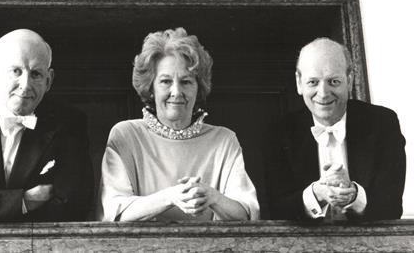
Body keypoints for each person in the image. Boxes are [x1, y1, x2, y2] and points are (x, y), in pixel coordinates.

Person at [97, 27, 259, 221]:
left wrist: (212, 196)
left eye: (186, 82)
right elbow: (114, 213)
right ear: (150, 88)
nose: (176, 91)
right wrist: (171, 196)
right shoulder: (126, 135)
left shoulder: (224, 140)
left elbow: (247, 217)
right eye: (165, 81)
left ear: (198, 88)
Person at [0, 29, 93, 222]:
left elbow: (75, 206)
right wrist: (25, 200)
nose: (25, 84)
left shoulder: (70, 123)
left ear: (49, 80)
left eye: (36, 74)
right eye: (16, 71)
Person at [266, 37, 406, 220]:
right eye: (313, 82)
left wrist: (354, 195)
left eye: (333, 81)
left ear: (349, 79)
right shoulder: (278, 133)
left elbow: (392, 208)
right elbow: (273, 211)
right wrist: (316, 194)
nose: (323, 94)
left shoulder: (383, 123)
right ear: (299, 83)